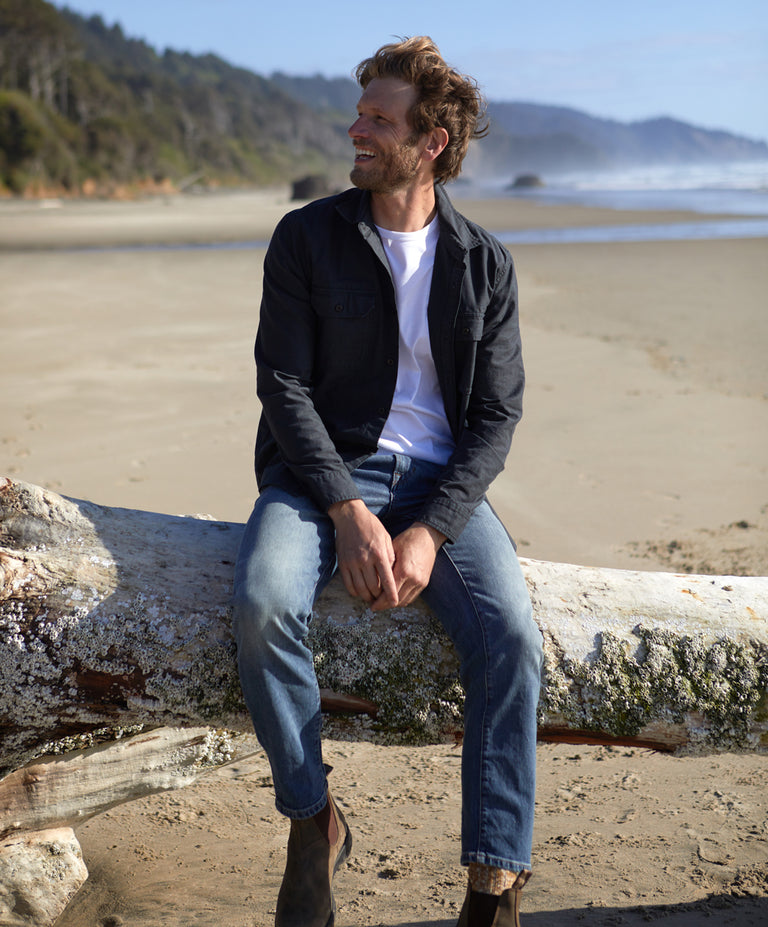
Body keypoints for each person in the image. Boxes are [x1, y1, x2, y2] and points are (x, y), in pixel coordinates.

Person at [232, 36, 543, 927]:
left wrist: (430, 530)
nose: (357, 130)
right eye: (360, 113)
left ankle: (493, 884)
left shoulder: (485, 263)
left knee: (512, 641)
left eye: (379, 119)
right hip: (319, 474)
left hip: (440, 488)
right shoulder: (306, 238)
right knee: (261, 602)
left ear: (431, 142)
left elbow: (496, 417)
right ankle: (312, 820)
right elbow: (283, 385)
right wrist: (347, 509)